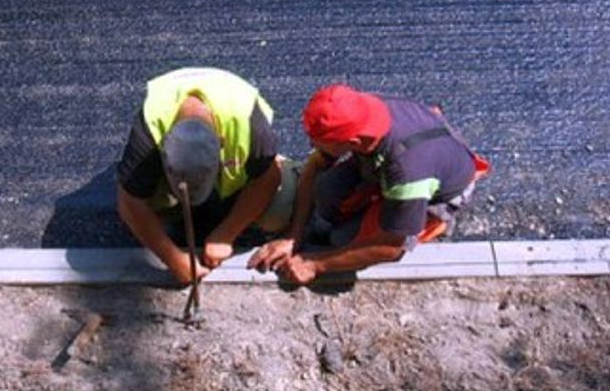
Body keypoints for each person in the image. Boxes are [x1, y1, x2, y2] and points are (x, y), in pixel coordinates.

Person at [248, 83, 490, 285]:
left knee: (343, 241)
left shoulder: (408, 172)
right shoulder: (362, 111)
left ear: (354, 142)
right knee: (326, 189)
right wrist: (293, 236)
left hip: (438, 187)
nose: (312, 146)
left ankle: (435, 223)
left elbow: (391, 249)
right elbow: (316, 165)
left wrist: (315, 264)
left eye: (318, 142)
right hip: (389, 159)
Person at [116, 67, 289, 285]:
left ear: (221, 143)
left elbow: (269, 179)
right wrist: (173, 259)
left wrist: (227, 233)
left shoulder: (248, 123)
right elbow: (129, 202)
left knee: (278, 213)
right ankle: (174, 205)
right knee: (148, 209)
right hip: (165, 165)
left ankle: (253, 176)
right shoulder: (150, 131)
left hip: (242, 146)